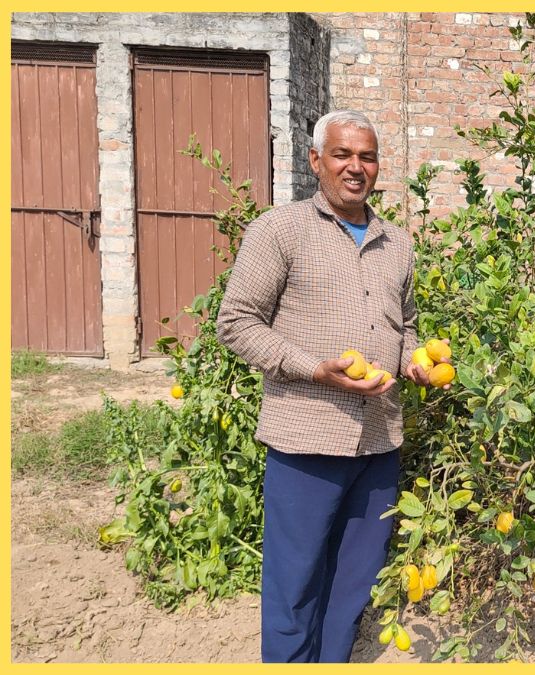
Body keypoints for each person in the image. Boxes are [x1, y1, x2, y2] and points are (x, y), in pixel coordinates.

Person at [216, 110, 438, 662]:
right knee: (294, 585)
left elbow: (405, 323)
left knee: (354, 584)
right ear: (316, 161)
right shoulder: (280, 229)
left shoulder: (398, 244)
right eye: (342, 155)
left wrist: (414, 359)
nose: (355, 167)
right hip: (306, 440)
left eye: (366, 156)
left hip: (378, 441)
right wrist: (317, 369)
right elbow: (237, 322)